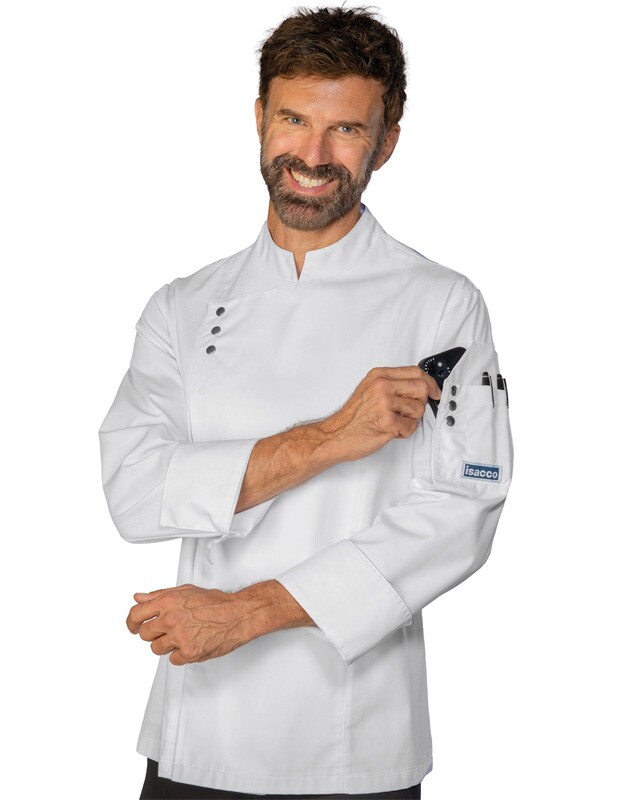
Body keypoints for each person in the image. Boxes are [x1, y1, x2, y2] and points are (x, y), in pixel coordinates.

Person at [98, 6, 514, 799]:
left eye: (346, 130)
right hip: (199, 736)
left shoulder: (442, 305)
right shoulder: (182, 307)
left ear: (386, 143)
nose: (313, 157)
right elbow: (134, 492)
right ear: (259, 117)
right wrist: (331, 437)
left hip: (353, 742)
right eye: (293, 119)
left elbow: (462, 510)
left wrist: (246, 613)